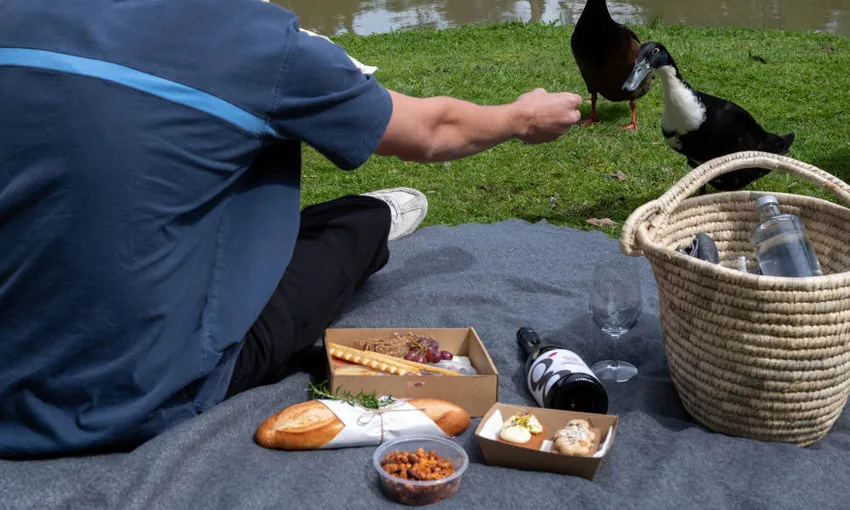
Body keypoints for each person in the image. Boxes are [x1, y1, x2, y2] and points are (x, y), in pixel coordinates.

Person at [0, 0, 582, 459]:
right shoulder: (257, 41)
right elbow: (431, 131)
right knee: (359, 223)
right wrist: (521, 117)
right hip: (141, 391)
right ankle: (374, 218)